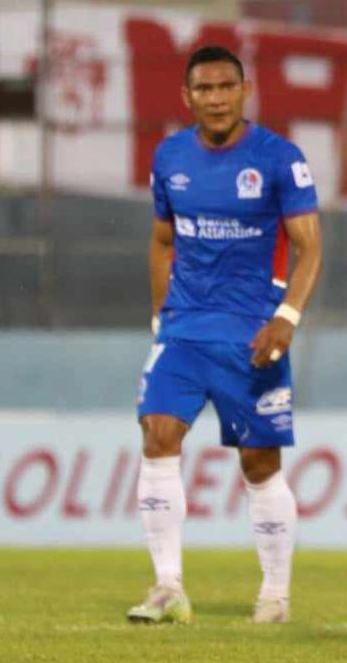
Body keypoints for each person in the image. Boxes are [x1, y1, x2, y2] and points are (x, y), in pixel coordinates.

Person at [128, 46, 324, 625]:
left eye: (225, 87)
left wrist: (286, 318)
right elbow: (163, 241)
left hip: (253, 336)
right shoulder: (170, 158)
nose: (215, 98)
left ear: (245, 91)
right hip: (184, 331)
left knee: (259, 464)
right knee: (158, 432)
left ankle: (275, 595)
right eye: (204, 89)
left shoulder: (279, 158)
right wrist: (161, 318)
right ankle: (167, 587)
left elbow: (310, 246)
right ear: (187, 97)